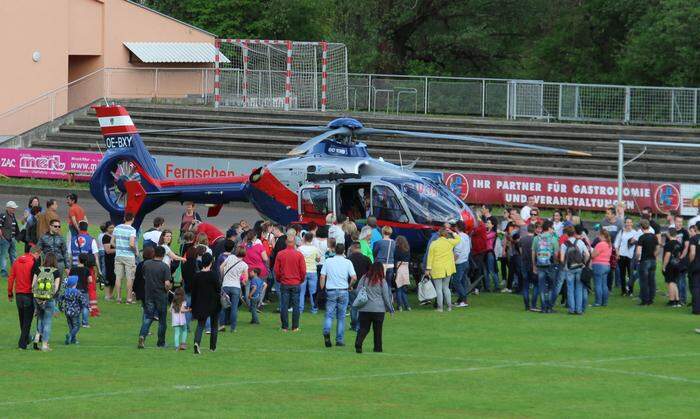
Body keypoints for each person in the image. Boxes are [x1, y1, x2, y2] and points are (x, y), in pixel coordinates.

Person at [320, 243, 356, 347]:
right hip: (343, 290)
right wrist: (349, 286)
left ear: (335, 250)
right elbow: (354, 277)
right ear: (344, 251)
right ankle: (339, 339)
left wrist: (322, 288)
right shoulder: (347, 262)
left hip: (331, 290)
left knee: (329, 314)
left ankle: (326, 331)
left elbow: (322, 276)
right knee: (341, 316)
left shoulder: (328, 261)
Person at [354, 262, 394, 354]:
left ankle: (358, 342)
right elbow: (386, 296)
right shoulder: (382, 281)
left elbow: (357, 291)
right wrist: (390, 309)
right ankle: (378, 348)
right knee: (378, 330)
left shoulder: (364, 278)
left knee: (364, 328)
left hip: (364, 308)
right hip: (378, 310)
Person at [137, 246, 172, 349]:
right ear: (163, 255)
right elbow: (166, 283)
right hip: (161, 295)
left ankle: (142, 336)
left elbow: (144, 276)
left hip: (149, 294)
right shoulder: (165, 267)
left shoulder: (146, 264)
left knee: (148, 317)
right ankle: (161, 342)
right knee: (162, 320)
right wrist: (168, 288)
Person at [8, 245, 42, 349]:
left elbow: (11, 278)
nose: (39, 258)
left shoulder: (17, 261)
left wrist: (10, 293)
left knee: (22, 320)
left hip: (18, 294)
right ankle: (22, 344)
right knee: (27, 321)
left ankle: (26, 339)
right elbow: (36, 279)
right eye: (39, 255)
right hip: (28, 294)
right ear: (36, 253)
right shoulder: (33, 262)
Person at [425, 227, 461, 312]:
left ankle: (440, 308)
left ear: (438, 234)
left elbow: (430, 257)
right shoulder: (450, 242)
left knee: (438, 289)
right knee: (446, 288)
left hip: (437, 268)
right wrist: (453, 232)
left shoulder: (434, 243)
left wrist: (428, 269)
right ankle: (449, 307)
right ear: (446, 234)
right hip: (447, 269)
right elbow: (458, 239)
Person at [274, 236, 306, 332]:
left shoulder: (280, 254)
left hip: (285, 282)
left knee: (284, 305)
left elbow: (276, 270)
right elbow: (303, 270)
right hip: (296, 282)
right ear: (294, 243)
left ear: (286, 242)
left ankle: (284, 327)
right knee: (296, 305)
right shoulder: (299, 255)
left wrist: (279, 279)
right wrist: (301, 280)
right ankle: (295, 327)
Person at [191, 253, 221, 354]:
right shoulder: (213, 275)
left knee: (200, 325)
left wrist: (192, 305)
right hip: (213, 303)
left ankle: (196, 343)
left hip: (200, 304)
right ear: (211, 262)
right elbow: (218, 289)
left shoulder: (197, 276)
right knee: (214, 326)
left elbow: (193, 292)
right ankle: (212, 347)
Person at [32, 252, 62, 351]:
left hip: (38, 298)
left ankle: (37, 338)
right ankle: (45, 345)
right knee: (48, 322)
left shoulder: (38, 269)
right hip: (49, 299)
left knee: (40, 318)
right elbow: (56, 288)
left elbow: (33, 285)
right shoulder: (56, 272)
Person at [70, 221, 101, 316]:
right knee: (90, 288)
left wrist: (70, 267)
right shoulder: (91, 240)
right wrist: (99, 270)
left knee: (75, 287)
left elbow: (69, 255)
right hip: (88, 268)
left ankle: (75, 307)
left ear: (79, 228)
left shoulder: (72, 239)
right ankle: (93, 309)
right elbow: (96, 256)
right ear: (87, 228)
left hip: (75, 268)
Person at [219, 247, 248, 332]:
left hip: (226, 285)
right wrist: (242, 281)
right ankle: (233, 328)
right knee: (234, 308)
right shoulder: (244, 265)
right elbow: (245, 279)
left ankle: (222, 325)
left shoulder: (230, 257)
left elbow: (221, 268)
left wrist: (222, 277)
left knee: (223, 306)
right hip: (236, 287)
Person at [532, 220, 559, 313]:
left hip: (540, 265)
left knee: (542, 287)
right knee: (551, 286)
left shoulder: (537, 238)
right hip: (550, 264)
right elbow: (555, 253)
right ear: (549, 228)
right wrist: (555, 263)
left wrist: (534, 265)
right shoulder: (553, 239)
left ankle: (543, 307)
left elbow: (533, 252)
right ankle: (549, 307)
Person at [112, 212, 138, 304]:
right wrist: (136, 251)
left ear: (124, 218)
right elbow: (131, 244)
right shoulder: (132, 230)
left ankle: (118, 298)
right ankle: (128, 299)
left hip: (118, 255)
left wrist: (119, 246)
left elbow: (112, 242)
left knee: (118, 277)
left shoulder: (117, 228)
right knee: (129, 278)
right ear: (133, 219)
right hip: (129, 256)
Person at [348, 242, 373, 331]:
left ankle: (354, 324)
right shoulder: (366, 259)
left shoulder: (349, 259)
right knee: (362, 307)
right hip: (364, 287)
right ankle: (358, 325)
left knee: (353, 306)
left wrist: (348, 285)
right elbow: (371, 273)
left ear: (353, 248)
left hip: (352, 286)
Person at [58, 275, 89, 345]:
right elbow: (83, 301)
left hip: (67, 311)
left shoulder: (65, 291)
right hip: (75, 312)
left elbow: (60, 299)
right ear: (75, 283)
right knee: (77, 326)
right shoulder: (77, 292)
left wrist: (61, 308)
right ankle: (70, 335)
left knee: (71, 326)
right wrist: (87, 306)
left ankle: (73, 340)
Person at [636, 219, 659, 306]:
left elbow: (638, 252)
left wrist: (638, 260)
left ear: (641, 228)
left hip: (644, 261)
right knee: (651, 281)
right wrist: (654, 255)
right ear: (649, 226)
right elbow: (658, 249)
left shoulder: (641, 238)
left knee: (644, 281)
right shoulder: (654, 236)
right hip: (653, 260)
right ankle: (651, 299)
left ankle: (644, 300)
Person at [298, 232, 321, 314]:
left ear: (304, 238)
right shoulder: (315, 248)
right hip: (313, 271)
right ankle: (314, 309)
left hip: (303, 271)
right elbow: (318, 259)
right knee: (313, 291)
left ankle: (300, 309)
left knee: (301, 291)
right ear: (312, 239)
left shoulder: (300, 248)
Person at [69, 253, 92, 327]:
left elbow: (69, 279)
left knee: (75, 306)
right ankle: (85, 323)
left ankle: (75, 322)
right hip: (84, 290)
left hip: (74, 290)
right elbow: (90, 280)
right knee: (85, 306)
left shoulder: (73, 269)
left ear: (78, 259)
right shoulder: (87, 270)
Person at [520, 223, 539, 311]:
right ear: (534, 230)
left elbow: (520, 251)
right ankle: (533, 304)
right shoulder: (536, 240)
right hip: (533, 264)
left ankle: (527, 305)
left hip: (524, 263)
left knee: (525, 285)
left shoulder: (522, 239)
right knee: (536, 285)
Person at [591, 229, 612, 307]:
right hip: (606, 265)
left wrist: (591, 253)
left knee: (598, 285)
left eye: (599, 235)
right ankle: (604, 302)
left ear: (602, 235)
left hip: (598, 265)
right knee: (604, 285)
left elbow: (593, 255)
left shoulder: (600, 244)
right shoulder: (609, 244)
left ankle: (598, 302)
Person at [663, 228, 683, 307]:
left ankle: (671, 301)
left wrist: (664, 266)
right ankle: (677, 300)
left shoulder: (668, 244)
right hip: (677, 264)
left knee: (670, 282)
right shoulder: (678, 243)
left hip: (670, 265)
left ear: (669, 234)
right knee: (674, 282)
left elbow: (667, 256)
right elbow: (679, 254)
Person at [0, 200, 20, 277]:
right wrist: (2, 237)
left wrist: (17, 237)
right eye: (12, 208)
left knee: (13, 255)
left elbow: (16, 227)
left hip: (12, 239)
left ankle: (14, 271)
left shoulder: (13, 216)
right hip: (5, 240)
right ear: (8, 208)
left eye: (14, 208)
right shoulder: (3, 215)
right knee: (3, 256)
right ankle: (3, 273)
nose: (14, 209)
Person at [394, 235, 412, 311]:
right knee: (404, 289)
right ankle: (407, 306)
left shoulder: (397, 249)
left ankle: (400, 306)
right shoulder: (407, 249)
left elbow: (395, 259)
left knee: (398, 289)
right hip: (406, 269)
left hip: (399, 268)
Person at [101, 222, 116, 300]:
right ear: (107, 228)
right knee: (109, 277)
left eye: (113, 227)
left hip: (115, 259)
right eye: (110, 228)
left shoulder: (114, 236)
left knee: (114, 278)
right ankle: (107, 295)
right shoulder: (105, 237)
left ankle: (111, 294)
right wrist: (119, 250)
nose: (112, 229)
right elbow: (108, 250)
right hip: (109, 260)